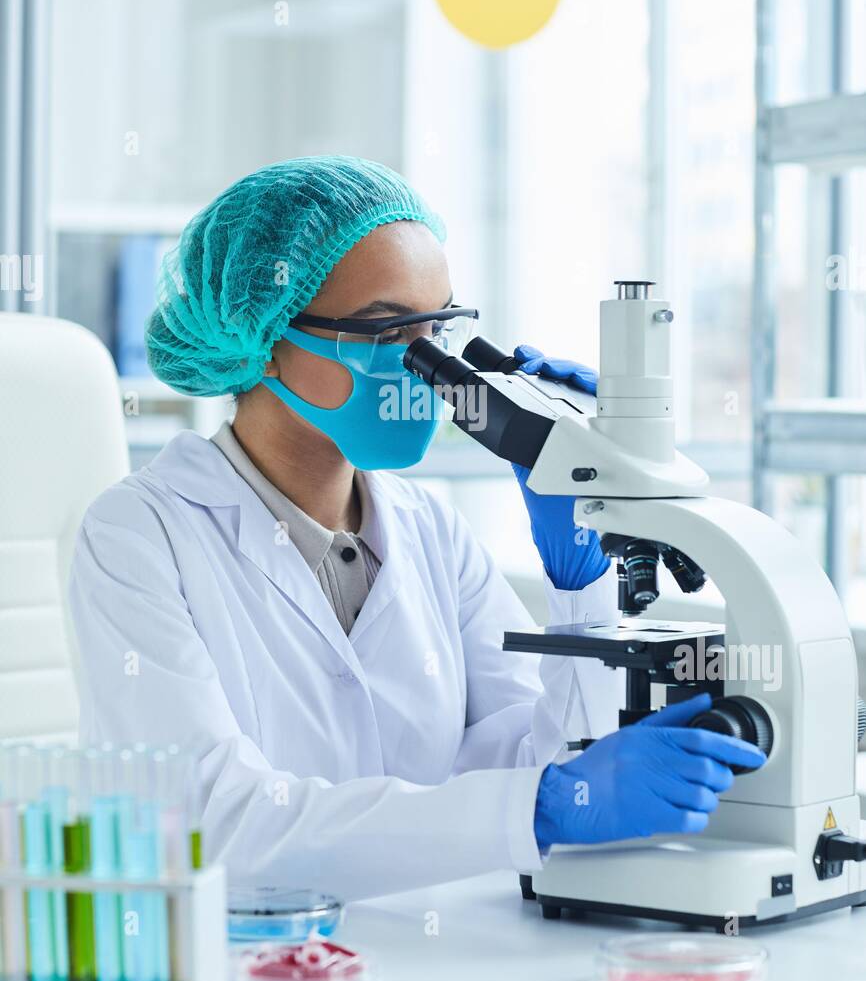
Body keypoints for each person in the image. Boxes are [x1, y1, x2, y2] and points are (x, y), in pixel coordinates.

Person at [69, 156, 764, 901]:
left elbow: (537, 759)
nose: (429, 367)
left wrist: (580, 578)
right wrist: (545, 806)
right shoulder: (137, 536)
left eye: (442, 329)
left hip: (434, 965)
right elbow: (214, 827)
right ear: (263, 336)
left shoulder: (430, 528)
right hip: (252, 978)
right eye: (387, 330)